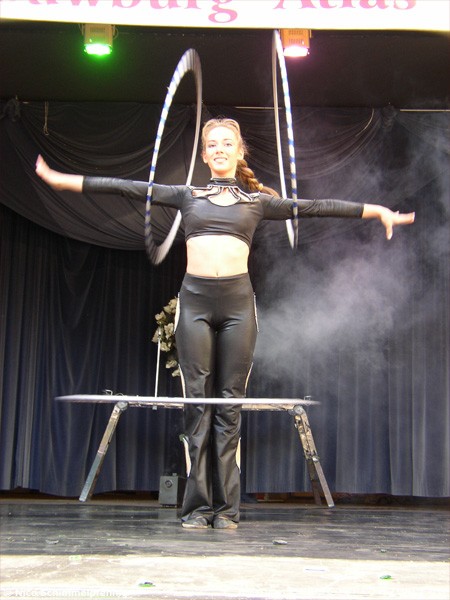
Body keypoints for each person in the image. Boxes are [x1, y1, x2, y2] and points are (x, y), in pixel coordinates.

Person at [35, 117, 415, 530]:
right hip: (195, 305)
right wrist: (62, 181)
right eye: (212, 144)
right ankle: (197, 508)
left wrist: (377, 211)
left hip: (238, 308)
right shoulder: (187, 196)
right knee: (197, 406)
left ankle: (227, 510)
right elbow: (128, 188)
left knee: (229, 408)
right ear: (204, 155)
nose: (219, 149)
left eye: (226, 143)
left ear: (239, 151)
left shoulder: (257, 202)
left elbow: (316, 206)